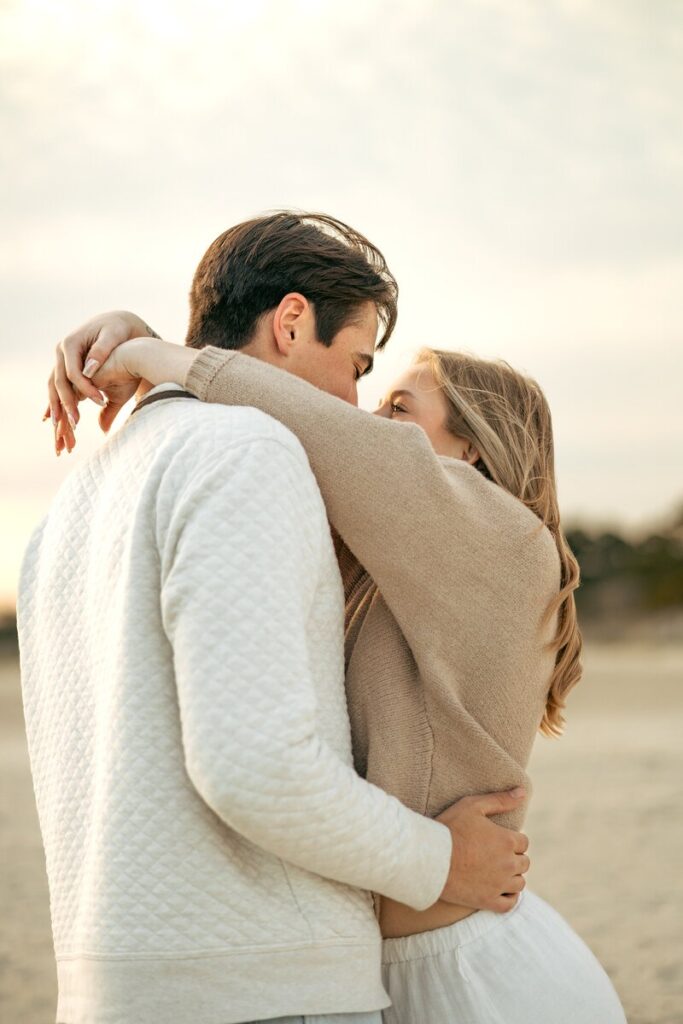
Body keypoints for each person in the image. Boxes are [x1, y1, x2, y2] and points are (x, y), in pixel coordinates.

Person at [47, 215, 627, 1023]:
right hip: (386, 964)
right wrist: (148, 347)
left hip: (470, 969)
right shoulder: (354, 546)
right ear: (291, 321)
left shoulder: (502, 543)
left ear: (473, 455)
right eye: (363, 378)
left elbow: (319, 434)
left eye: (391, 404)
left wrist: (154, 356)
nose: (357, 411)